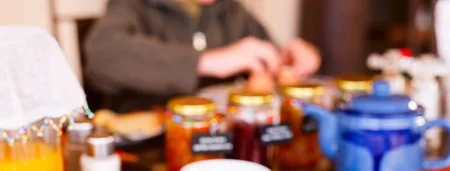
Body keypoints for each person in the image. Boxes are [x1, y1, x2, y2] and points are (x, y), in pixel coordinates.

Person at [85, 0, 321, 112]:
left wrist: (288, 60)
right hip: (148, 157)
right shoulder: (134, 5)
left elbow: (265, 61)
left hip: (222, 147)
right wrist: (206, 61)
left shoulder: (232, 11)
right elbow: (101, 54)